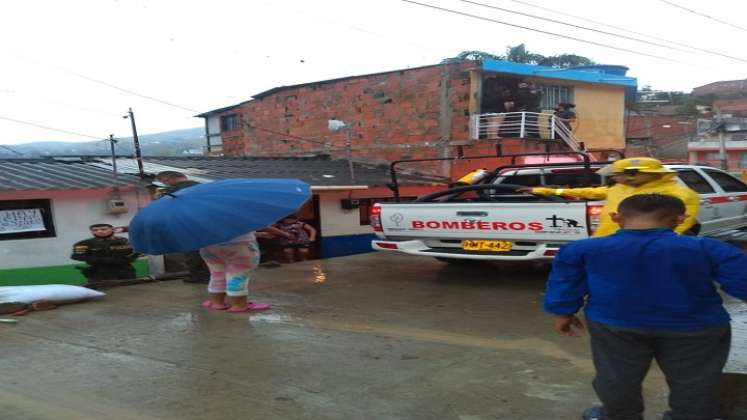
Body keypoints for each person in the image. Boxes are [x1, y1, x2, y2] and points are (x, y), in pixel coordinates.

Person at [544, 194, 747, 420]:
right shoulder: (709, 248)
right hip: (696, 327)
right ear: (680, 219)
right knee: (696, 379)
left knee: (616, 376)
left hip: (615, 324)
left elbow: (566, 282)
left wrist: (563, 313)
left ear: (615, 217)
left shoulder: (582, 249)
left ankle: (618, 416)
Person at [524, 157, 700, 237]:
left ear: (635, 174)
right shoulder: (619, 188)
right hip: (607, 243)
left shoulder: (680, 194)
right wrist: (547, 191)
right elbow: (588, 192)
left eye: (618, 174)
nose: (614, 177)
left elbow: (679, 226)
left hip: (646, 251)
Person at [154, 171, 211, 284]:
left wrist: (157, 197)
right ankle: (208, 275)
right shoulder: (203, 186)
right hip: (206, 222)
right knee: (207, 249)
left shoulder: (171, 191)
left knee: (192, 251)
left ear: (167, 179)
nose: (165, 184)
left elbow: (161, 205)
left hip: (187, 223)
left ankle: (197, 275)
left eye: (164, 181)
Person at [199, 231, 271, 313]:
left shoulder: (199, 218)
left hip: (208, 245)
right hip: (240, 244)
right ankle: (239, 305)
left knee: (217, 274)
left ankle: (217, 303)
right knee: (238, 274)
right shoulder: (233, 217)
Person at [71, 223, 138, 283]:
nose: (99, 231)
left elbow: (133, 251)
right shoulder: (84, 243)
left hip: (125, 270)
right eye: (95, 230)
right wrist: (103, 260)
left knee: (130, 290)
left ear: (112, 230)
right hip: (100, 271)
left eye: (103, 229)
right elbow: (76, 256)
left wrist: (131, 257)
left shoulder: (123, 240)